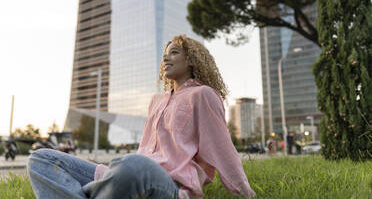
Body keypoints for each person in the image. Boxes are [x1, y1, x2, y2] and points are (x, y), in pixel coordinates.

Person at [27, 34, 256, 198]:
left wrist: (245, 193)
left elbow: (223, 149)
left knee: (134, 164)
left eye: (174, 53)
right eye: (164, 55)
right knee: (41, 158)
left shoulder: (203, 95)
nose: (165, 59)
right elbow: (144, 148)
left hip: (168, 185)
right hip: (125, 175)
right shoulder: (156, 100)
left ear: (191, 60)